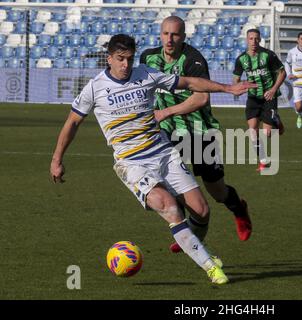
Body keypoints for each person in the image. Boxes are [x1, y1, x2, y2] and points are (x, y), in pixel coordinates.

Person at [49, 34, 256, 284]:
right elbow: (72, 122)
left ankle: (198, 248)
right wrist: (56, 159)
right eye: (120, 59)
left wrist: (227, 88)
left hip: (163, 153)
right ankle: (211, 267)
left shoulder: (146, 74)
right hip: (131, 162)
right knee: (168, 206)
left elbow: (190, 82)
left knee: (201, 211)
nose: (125, 65)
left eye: (129, 59)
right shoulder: (95, 87)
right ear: (109, 58)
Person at [139, 16, 253, 254]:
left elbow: (201, 97)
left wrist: (166, 112)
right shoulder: (147, 58)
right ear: (160, 34)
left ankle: (239, 209)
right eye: (166, 34)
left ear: (184, 36)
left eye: (176, 35)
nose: (170, 39)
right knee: (169, 182)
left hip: (199, 131)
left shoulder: (193, 60)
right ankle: (187, 231)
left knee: (217, 191)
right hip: (168, 132)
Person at [233, 29, 287, 172]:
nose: (254, 42)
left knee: (267, 134)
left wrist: (274, 89)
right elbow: (236, 78)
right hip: (253, 98)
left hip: (269, 96)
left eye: (256, 39)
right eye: (251, 39)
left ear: (260, 39)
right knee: (252, 131)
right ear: (246, 40)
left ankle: (276, 120)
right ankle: (263, 161)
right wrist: (238, 87)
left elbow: (282, 72)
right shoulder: (241, 59)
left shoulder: (268, 55)